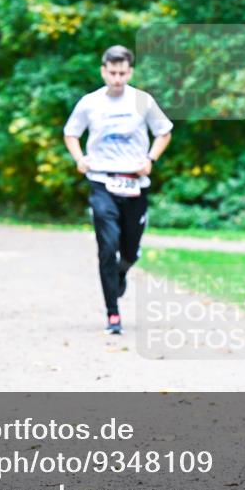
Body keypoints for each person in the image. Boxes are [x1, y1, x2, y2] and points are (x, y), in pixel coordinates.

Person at [63, 45, 173, 334]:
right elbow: (70, 133)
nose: (117, 79)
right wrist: (79, 159)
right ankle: (113, 314)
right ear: (103, 71)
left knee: (130, 251)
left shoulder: (142, 101)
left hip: (135, 183)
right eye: (112, 73)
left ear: (130, 72)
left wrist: (150, 159)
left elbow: (164, 131)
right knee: (107, 247)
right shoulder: (90, 102)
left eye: (122, 73)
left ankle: (121, 271)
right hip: (101, 180)